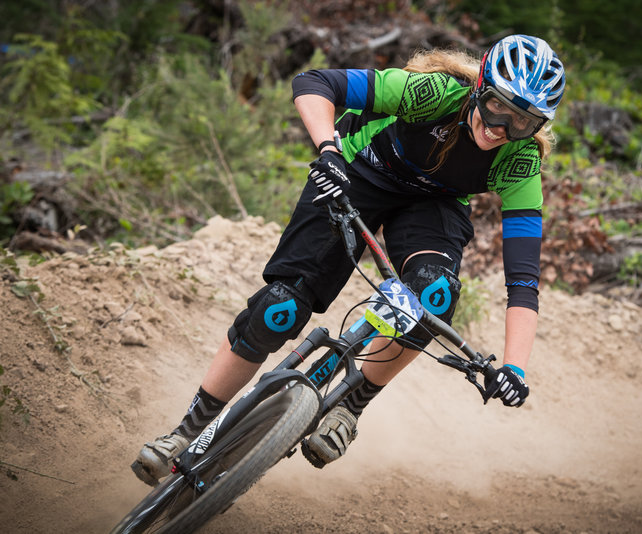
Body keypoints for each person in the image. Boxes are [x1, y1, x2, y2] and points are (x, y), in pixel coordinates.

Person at [132, 34, 566, 485]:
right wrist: (328, 150)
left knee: (434, 295)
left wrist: (514, 368)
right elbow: (314, 81)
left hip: (434, 206)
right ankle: (186, 431)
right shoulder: (433, 94)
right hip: (362, 170)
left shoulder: (520, 160)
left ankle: (349, 408)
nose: (502, 128)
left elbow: (522, 281)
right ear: (480, 87)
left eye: (523, 121)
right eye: (498, 107)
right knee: (279, 308)